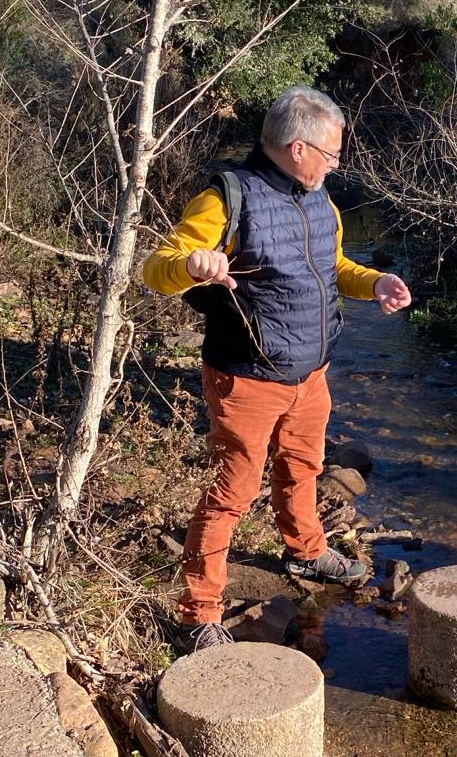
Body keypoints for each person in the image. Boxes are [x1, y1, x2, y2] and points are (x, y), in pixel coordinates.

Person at [144, 85, 411, 651]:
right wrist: (194, 264)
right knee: (232, 492)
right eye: (332, 153)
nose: (336, 164)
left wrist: (375, 283)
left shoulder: (320, 199)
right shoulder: (225, 199)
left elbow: (333, 267)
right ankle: (199, 615)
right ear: (298, 149)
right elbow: (157, 269)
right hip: (246, 377)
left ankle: (307, 552)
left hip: (310, 375)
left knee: (303, 467)